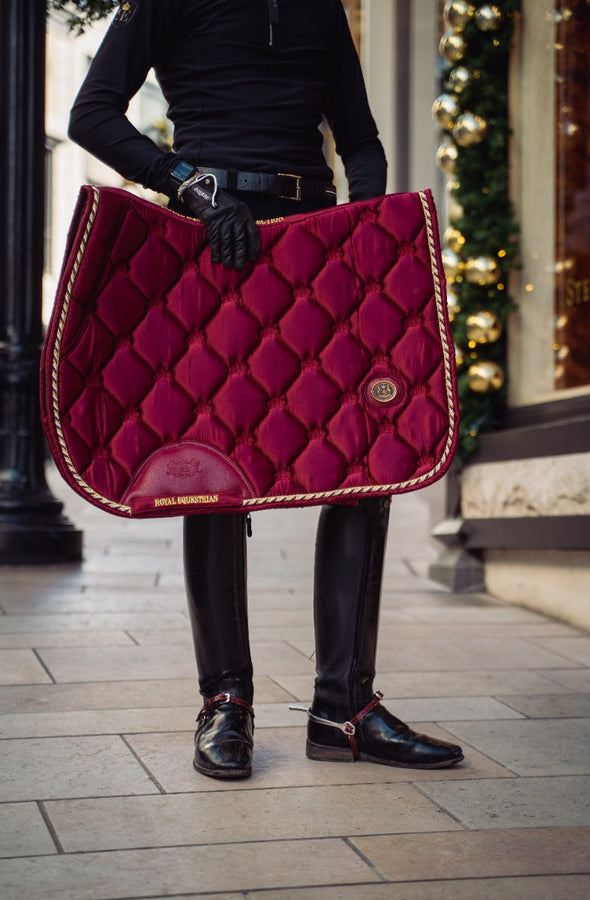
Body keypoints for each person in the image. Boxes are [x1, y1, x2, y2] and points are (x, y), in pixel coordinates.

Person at [68, 0, 464, 778]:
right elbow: (93, 115)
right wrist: (188, 187)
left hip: (316, 246)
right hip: (211, 241)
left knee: (367, 460)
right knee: (211, 473)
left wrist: (365, 232)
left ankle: (344, 710)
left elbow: (360, 141)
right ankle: (226, 706)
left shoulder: (320, 7)